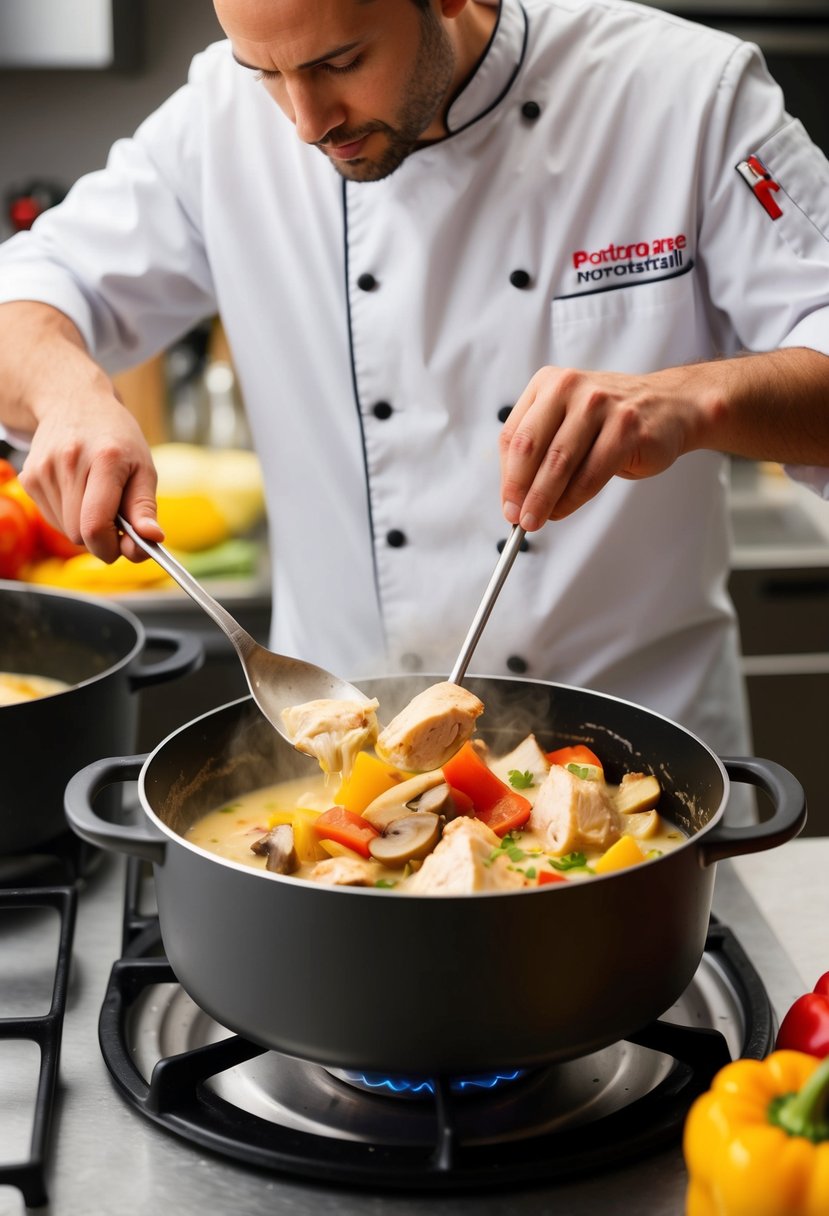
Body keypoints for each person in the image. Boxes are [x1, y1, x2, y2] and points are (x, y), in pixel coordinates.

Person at [1, 0, 828, 803]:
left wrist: (695, 398)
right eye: (265, 72)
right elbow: (29, 293)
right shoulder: (219, 123)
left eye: (339, 62)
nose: (304, 120)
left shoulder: (682, 96)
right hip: (343, 778)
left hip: (649, 773)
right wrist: (69, 394)